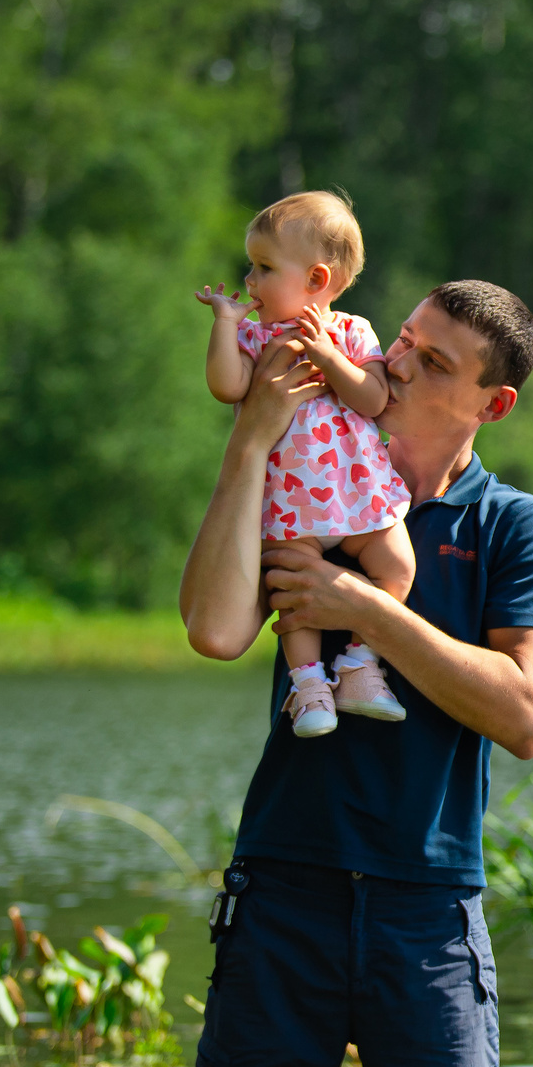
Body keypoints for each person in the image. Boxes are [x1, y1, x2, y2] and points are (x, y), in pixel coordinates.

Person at [177, 276, 533, 1067]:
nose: (396, 362)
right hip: (282, 893)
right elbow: (216, 631)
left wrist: (365, 607)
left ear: (494, 404)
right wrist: (252, 442)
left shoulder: (514, 526)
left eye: (435, 363)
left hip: (425, 910)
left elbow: (527, 716)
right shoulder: (312, 470)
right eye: (403, 340)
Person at [195, 191, 414, 737]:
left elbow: (371, 399)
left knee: (397, 566)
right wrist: (225, 324)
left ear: (317, 281)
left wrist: (329, 358)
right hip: (290, 502)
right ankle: (309, 683)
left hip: (356, 495)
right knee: (294, 591)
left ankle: (359, 665)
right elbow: (228, 388)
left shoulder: (352, 332)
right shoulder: (254, 334)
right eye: (252, 265)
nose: (249, 280)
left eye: (264, 268)